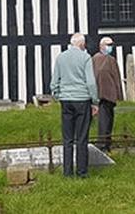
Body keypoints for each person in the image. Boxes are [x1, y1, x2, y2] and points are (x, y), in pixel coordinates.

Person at [50, 33, 99, 178]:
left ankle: (67, 172)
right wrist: (95, 101)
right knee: (82, 137)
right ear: (82, 44)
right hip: (82, 99)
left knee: (67, 138)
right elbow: (90, 82)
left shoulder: (61, 57)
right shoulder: (85, 58)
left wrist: (58, 95)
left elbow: (54, 81)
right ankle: (82, 172)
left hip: (66, 100)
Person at [92, 36, 123, 153]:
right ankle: (102, 144)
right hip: (100, 94)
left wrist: (118, 93)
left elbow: (116, 77)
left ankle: (107, 142)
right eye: (108, 45)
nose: (110, 47)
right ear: (101, 46)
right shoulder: (95, 59)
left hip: (110, 95)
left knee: (109, 119)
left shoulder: (111, 60)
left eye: (111, 45)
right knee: (103, 120)